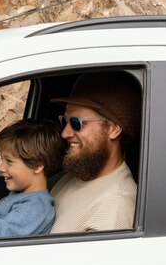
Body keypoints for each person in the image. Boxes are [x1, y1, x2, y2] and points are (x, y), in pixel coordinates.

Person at [49, 71, 141, 233]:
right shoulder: (75, 173)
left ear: (113, 129)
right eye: (65, 121)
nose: (65, 133)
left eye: (76, 123)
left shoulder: (115, 206)